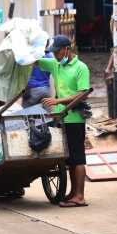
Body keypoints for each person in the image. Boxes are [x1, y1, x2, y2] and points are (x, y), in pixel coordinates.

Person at [34, 35, 90, 208]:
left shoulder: (81, 68)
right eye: (53, 52)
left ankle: (80, 196)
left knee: (77, 158)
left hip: (74, 118)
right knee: (68, 159)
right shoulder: (55, 64)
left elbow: (83, 93)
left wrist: (57, 101)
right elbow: (34, 62)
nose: (56, 55)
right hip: (59, 118)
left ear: (67, 49)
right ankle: (73, 193)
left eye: (57, 52)